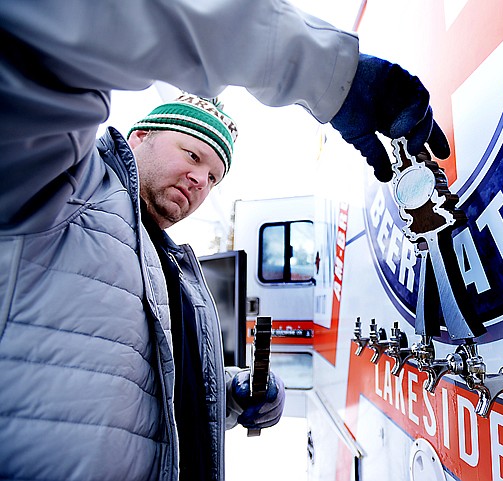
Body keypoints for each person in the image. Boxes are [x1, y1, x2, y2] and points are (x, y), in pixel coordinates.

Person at [0, 1, 450, 481]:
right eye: (192, 154)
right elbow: (51, 30)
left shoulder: (171, 266)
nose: (200, 181)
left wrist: (232, 394)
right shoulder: (55, 189)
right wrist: (328, 74)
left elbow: (151, 388)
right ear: (139, 136)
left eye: (214, 177)